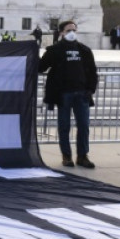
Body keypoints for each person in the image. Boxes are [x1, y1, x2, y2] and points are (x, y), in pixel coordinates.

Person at [39, 20, 98, 169]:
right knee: (64, 127)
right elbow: (41, 67)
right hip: (63, 94)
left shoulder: (84, 50)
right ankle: (66, 156)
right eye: (68, 30)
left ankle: (82, 156)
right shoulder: (55, 50)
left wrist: (90, 89)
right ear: (61, 33)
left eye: (74, 30)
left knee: (83, 126)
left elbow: (92, 71)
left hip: (82, 94)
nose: (72, 33)